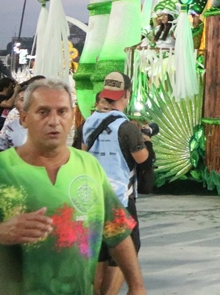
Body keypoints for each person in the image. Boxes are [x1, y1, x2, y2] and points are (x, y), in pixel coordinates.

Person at [0, 79, 145, 295]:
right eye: (43, 112)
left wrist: (136, 285)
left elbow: (117, 230)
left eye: (62, 112)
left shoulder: (89, 167)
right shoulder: (4, 170)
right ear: (24, 118)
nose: (54, 121)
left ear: (71, 118)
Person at [81, 72, 150, 295]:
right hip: (120, 198)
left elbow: (82, 153)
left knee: (99, 250)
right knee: (125, 248)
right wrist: (147, 141)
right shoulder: (127, 127)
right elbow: (141, 159)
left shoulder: (88, 122)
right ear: (126, 95)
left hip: (92, 197)